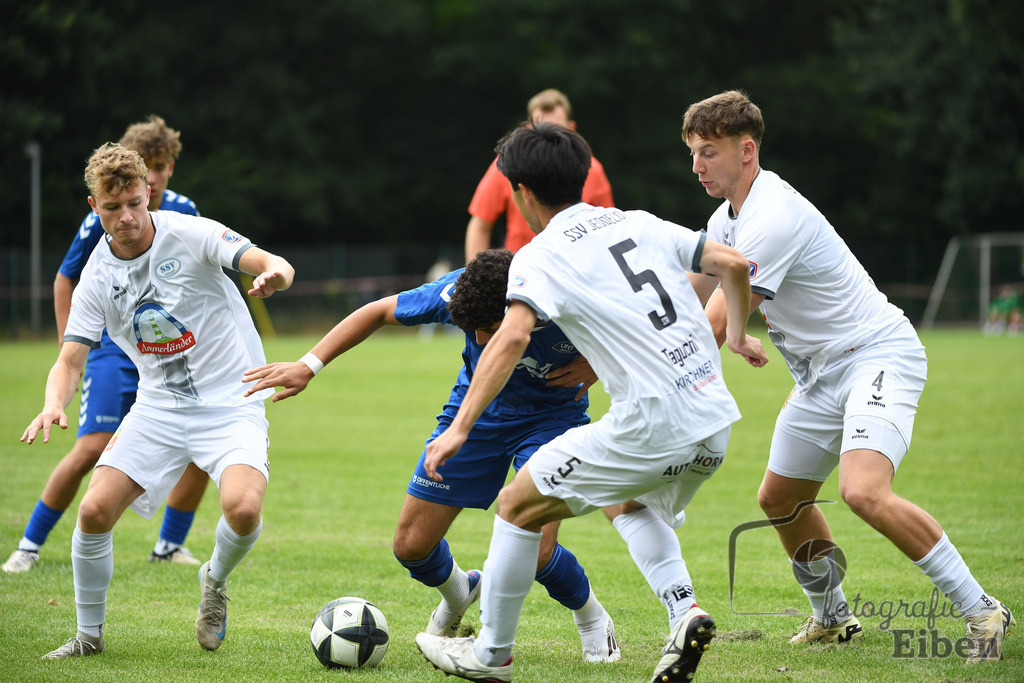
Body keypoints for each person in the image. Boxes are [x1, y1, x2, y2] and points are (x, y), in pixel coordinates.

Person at [415, 121, 766, 683]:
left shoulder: (539, 256)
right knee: (630, 503)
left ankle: (491, 656)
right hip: (713, 421)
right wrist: (740, 334)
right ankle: (686, 613)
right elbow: (735, 265)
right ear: (582, 176)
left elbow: (509, 338)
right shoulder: (639, 222)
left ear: (522, 192)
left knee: (515, 506)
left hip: (651, 424)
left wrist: (459, 428)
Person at [682, 90, 1015, 662]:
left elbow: (714, 323)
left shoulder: (774, 215)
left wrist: (666, 375)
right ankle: (831, 616)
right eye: (691, 152)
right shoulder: (724, 219)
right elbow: (691, 299)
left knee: (862, 491)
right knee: (780, 498)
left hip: (876, 355)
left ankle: (983, 609)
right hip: (820, 375)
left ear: (746, 149)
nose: (696, 167)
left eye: (707, 152)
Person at [241, 248, 622, 663]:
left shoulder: (568, 292)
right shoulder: (457, 292)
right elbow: (377, 311)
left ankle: (592, 618)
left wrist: (603, 363)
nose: (478, 340)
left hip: (552, 419)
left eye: (490, 329)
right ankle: (461, 591)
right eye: (470, 329)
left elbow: (650, 320)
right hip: (474, 413)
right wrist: (309, 364)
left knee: (536, 548)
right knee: (412, 546)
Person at [21, 143, 294, 659]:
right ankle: (87, 637)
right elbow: (70, 358)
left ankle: (214, 580)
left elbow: (264, 258)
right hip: (158, 409)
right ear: (93, 206)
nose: (125, 217)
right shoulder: (97, 276)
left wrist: (275, 272)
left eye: (134, 203)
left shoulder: (190, 233)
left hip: (232, 401)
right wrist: (54, 400)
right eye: (111, 207)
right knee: (96, 511)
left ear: (149, 192)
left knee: (242, 507)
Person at [4, 115, 211, 574]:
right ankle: (29, 545)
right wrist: (73, 350)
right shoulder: (106, 215)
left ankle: (168, 545)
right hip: (114, 349)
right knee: (94, 446)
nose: (154, 176)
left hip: (169, 348)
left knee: (205, 446)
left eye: (161, 166)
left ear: (170, 168)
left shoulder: (184, 211)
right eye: (148, 166)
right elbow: (65, 279)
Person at [464, 88, 614, 263]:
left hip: (573, 273)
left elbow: (607, 230)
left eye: (556, 130)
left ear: (571, 128)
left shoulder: (593, 169)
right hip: (518, 272)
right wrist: (477, 278)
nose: (548, 140)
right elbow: (481, 224)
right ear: (529, 129)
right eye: (542, 129)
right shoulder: (507, 164)